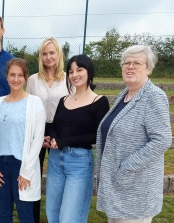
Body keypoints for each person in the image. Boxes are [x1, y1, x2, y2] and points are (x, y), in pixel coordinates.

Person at [96, 45, 172, 223]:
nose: (130, 66)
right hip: (119, 188)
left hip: (137, 191)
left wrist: (126, 167)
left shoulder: (153, 96)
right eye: (126, 62)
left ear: (149, 68)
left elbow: (162, 140)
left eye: (137, 63)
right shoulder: (125, 95)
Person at [46, 54, 109, 223]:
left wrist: (65, 142)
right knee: (52, 212)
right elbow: (53, 126)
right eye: (71, 71)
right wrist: (53, 138)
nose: (74, 75)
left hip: (79, 163)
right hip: (54, 161)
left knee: (69, 217)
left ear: (89, 72)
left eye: (79, 70)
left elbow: (98, 135)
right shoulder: (63, 100)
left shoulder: (100, 101)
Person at [0, 58, 45, 223]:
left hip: (22, 165)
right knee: (4, 214)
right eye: (12, 74)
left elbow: (37, 139)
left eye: (20, 75)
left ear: (26, 77)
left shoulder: (34, 103)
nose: (16, 79)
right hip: (0, 166)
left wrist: (27, 172)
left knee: (25, 215)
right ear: (6, 76)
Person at [26, 37, 70, 223]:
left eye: (52, 52)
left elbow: (73, 107)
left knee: (59, 175)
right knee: (33, 174)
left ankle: (61, 215)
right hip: (37, 129)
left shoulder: (69, 78)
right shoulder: (33, 80)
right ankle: (32, 216)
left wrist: (58, 136)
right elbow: (28, 107)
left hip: (61, 129)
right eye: (44, 53)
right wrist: (37, 136)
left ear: (58, 54)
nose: (48, 57)